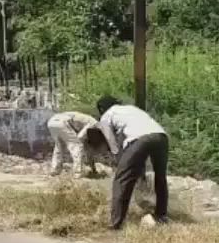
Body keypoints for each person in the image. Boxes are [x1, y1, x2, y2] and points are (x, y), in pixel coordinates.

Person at [96, 95, 170, 229]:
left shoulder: (106, 116)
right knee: (160, 178)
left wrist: (119, 164)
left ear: (101, 108)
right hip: (161, 136)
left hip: (140, 140)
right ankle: (161, 216)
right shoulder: (131, 108)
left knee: (121, 180)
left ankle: (115, 223)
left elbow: (113, 144)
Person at [46, 109, 101, 177]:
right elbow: (80, 137)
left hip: (52, 121)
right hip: (63, 123)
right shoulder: (94, 123)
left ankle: (54, 171)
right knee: (77, 145)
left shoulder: (84, 120)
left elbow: (88, 149)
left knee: (59, 147)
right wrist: (94, 170)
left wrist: (93, 169)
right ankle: (78, 173)